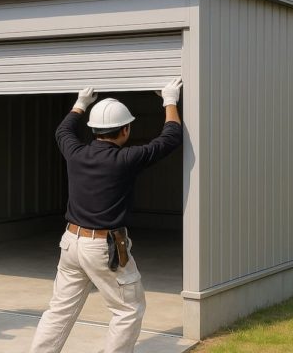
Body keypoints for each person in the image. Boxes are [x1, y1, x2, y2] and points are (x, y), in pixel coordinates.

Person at [30, 77, 184, 353]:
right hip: (103, 248)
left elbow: (62, 131)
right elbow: (171, 137)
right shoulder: (126, 160)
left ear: (93, 130)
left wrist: (80, 103)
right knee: (128, 309)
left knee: (60, 310)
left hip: (71, 243)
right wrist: (170, 100)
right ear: (125, 130)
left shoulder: (75, 153)